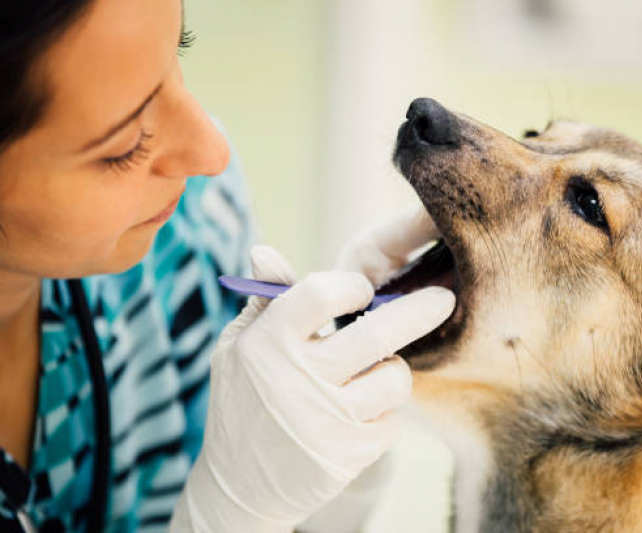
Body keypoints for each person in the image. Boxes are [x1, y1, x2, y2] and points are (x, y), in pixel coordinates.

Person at [0, 0, 456, 531]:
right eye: (125, 145)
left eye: (178, 52)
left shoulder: (187, 229)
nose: (211, 151)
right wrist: (231, 516)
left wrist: (319, 487)